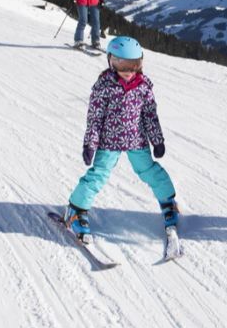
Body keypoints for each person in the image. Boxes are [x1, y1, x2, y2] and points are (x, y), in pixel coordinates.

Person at [63, 36, 179, 249]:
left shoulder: (144, 87)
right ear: (110, 61)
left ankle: (168, 203)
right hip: (109, 142)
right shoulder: (103, 86)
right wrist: (90, 144)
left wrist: (157, 140)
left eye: (134, 65)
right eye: (121, 64)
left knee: (151, 171)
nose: (128, 70)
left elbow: (150, 116)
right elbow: (95, 118)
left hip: (137, 140)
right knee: (98, 175)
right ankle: (75, 210)